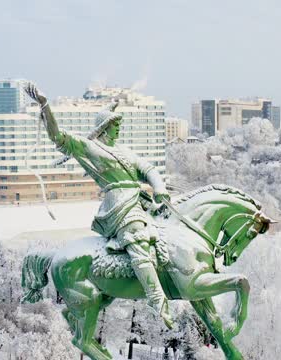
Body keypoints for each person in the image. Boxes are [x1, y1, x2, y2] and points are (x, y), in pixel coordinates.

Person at [24, 83, 174, 328]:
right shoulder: (91, 149)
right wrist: (45, 105)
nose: (118, 130)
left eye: (119, 126)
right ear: (105, 126)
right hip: (120, 206)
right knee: (138, 240)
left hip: (141, 201)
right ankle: (158, 301)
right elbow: (58, 137)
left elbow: (148, 170)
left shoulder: (125, 152)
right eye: (115, 126)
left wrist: (159, 188)